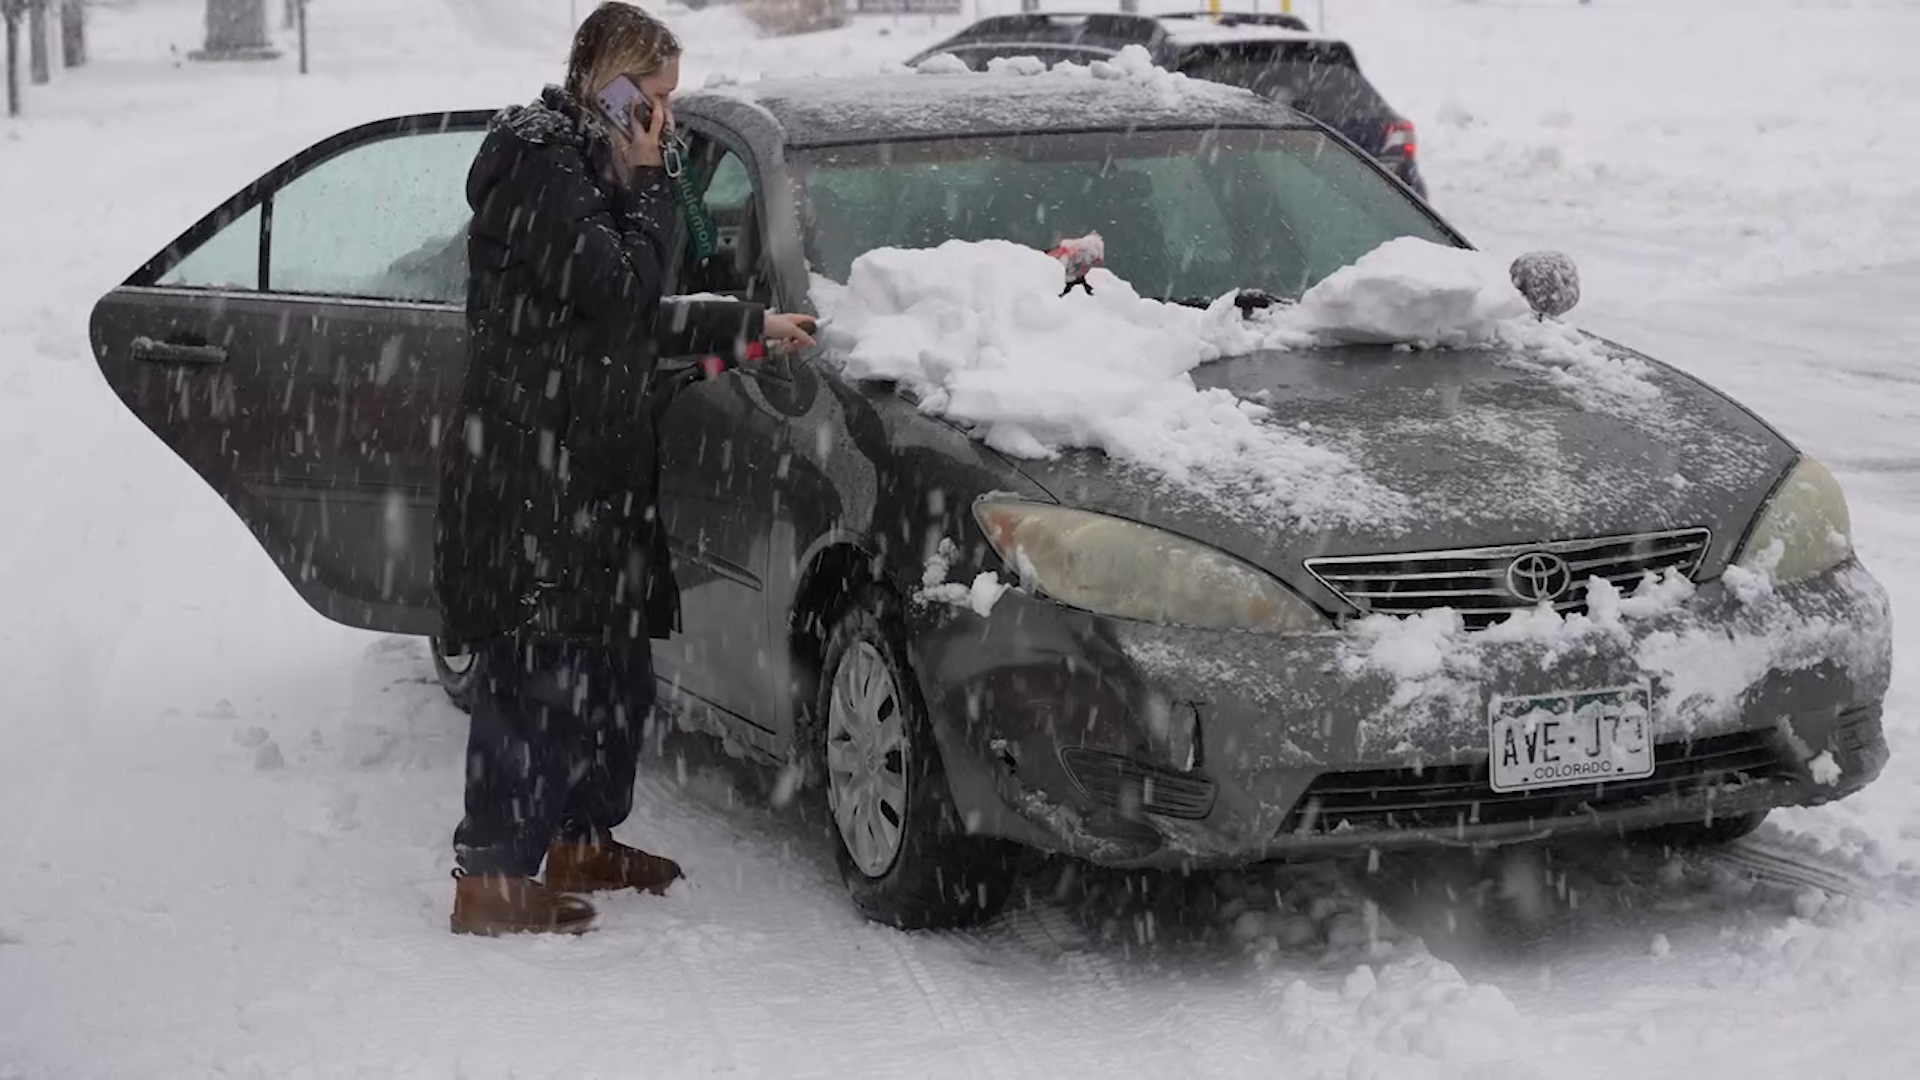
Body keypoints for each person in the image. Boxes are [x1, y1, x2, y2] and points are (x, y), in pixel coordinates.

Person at [434, 1, 816, 937]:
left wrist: (746, 325)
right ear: (606, 82)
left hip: (599, 461)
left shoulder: (599, 165)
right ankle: (489, 880)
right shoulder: (537, 163)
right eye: (652, 97)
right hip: (538, 463)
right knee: (535, 671)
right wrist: (650, 185)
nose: (664, 119)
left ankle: (579, 839)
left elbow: (631, 319)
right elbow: (613, 285)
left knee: (612, 671)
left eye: (669, 100)